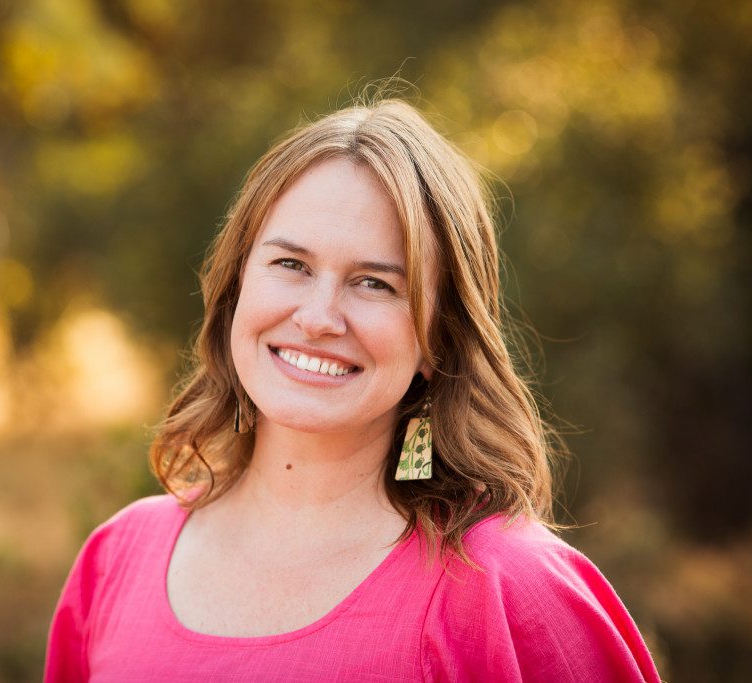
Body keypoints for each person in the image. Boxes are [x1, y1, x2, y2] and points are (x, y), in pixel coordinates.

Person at [43, 96, 663, 682]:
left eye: (374, 284)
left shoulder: (509, 588)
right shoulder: (119, 558)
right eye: (291, 265)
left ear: (438, 339)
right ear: (236, 286)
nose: (318, 317)